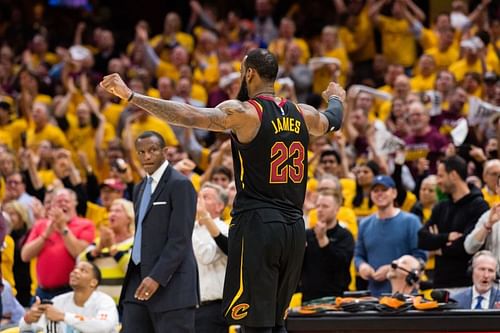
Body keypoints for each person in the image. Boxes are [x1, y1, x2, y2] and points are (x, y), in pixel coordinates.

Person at [100, 47, 345, 332]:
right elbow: (333, 120)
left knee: (253, 324)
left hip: (258, 225)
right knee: (277, 322)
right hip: (293, 227)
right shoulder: (303, 113)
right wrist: (337, 97)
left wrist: (132, 96)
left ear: (249, 72)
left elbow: (188, 115)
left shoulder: (244, 112)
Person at [119, 131, 198, 332]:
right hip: (137, 279)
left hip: (171, 284)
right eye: (142, 152)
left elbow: (180, 239)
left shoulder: (180, 184)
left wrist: (157, 276)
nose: (147, 156)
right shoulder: (139, 188)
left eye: (152, 150)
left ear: (165, 151)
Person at [418, 156, 489, 290]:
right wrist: (446, 237)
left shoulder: (479, 206)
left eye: (441, 176)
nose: (438, 181)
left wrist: (438, 247)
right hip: (440, 285)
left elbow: (466, 247)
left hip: (466, 285)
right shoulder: (441, 206)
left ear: (454, 175)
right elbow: (422, 238)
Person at [354, 175, 426, 296]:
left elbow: (420, 257)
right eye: (375, 191)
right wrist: (362, 266)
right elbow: (358, 255)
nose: (379, 194)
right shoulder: (364, 224)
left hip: (405, 296)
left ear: (394, 193)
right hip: (375, 296)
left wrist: (392, 269)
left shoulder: (411, 221)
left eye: (384, 190)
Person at [21, 188, 96, 300]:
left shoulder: (86, 224)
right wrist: (45, 235)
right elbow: (25, 256)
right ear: (52, 205)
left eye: (66, 201)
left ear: (75, 203)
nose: (62, 204)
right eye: (58, 202)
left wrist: (63, 228)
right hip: (42, 292)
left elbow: (78, 254)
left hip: (70, 291)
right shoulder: (41, 225)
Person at [19, 261, 119, 333]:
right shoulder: (58, 301)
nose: (75, 271)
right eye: (75, 269)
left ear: (93, 282)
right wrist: (29, 318)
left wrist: (63, 316)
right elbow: (26, 328)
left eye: (83, 270)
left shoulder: (105, 302)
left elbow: (103, 327)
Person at [300, 189, 354, 302]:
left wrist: (323, 240)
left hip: (337, 299)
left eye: (325, 206)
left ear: (337, 209)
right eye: (318, 206)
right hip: (309, 299)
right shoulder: (307, 235)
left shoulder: (345, 236)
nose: (320, 210)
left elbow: (340, 264)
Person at [193, 182, 229, 333]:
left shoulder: (224, 229)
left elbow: (206, 256)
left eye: (205, 197)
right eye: (199, 196)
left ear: (219, 206)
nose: (199, 200)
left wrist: (186, 228)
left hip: (214, 307)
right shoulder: (193, 229)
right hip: (190, 307)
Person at [464, 174, 500, 259]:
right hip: (494, 271)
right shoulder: (489, 216)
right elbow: (469, 247)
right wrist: (488, 225)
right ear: (497, 189)